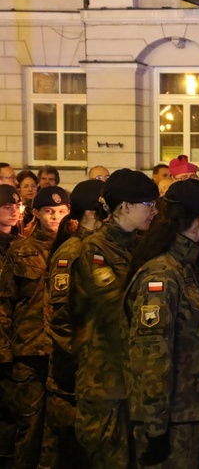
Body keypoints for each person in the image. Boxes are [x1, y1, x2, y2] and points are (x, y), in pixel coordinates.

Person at [123, 179, 199, 468]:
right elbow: (152, 356)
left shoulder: (185, 267)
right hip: (172, 419)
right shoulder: (162, 276)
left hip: (194, 411)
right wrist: (155, 428)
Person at [69, 169, 159, 467]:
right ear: (124, 207)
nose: (153, 211)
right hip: (105, 380)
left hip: (134, 380)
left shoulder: (139, 245)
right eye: (148, 204)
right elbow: (116, 306)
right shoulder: (94, 250)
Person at [0, 185, 70, 469]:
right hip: (28, 352)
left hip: (64, 351)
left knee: (60, 426)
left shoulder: (75, 249)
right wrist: (4, 353)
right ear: (37, 213)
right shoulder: (21, 251)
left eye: (61, 212)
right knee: (28, 425)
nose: (55, 218)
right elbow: (4, 305)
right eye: (49, 212)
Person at [43, 179, 107, 469]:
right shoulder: (71, 252)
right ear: (90, 213)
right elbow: (62, 320)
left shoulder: (95, 248)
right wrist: (85, 360)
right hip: (74, 375)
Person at [0, 185, 23, 466]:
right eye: (6, 207)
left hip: (14, 336)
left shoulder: (20, 243)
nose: (14, 210)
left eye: (16, 206)